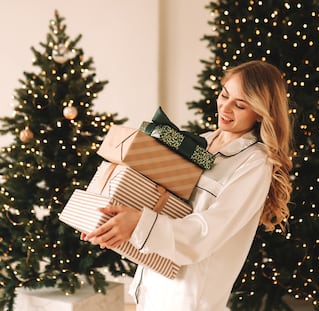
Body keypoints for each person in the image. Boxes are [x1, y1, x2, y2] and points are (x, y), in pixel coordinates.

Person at [83, 60, 293, 311]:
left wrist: (138, 224)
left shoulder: (254, 163)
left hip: (188, 300)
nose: (225, 108)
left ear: (260, 112)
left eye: (240, 104)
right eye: (224, 95)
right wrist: (116, 226)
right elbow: (160, 202)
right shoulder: (201, 142)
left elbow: (207, 232)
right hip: (151, 288)